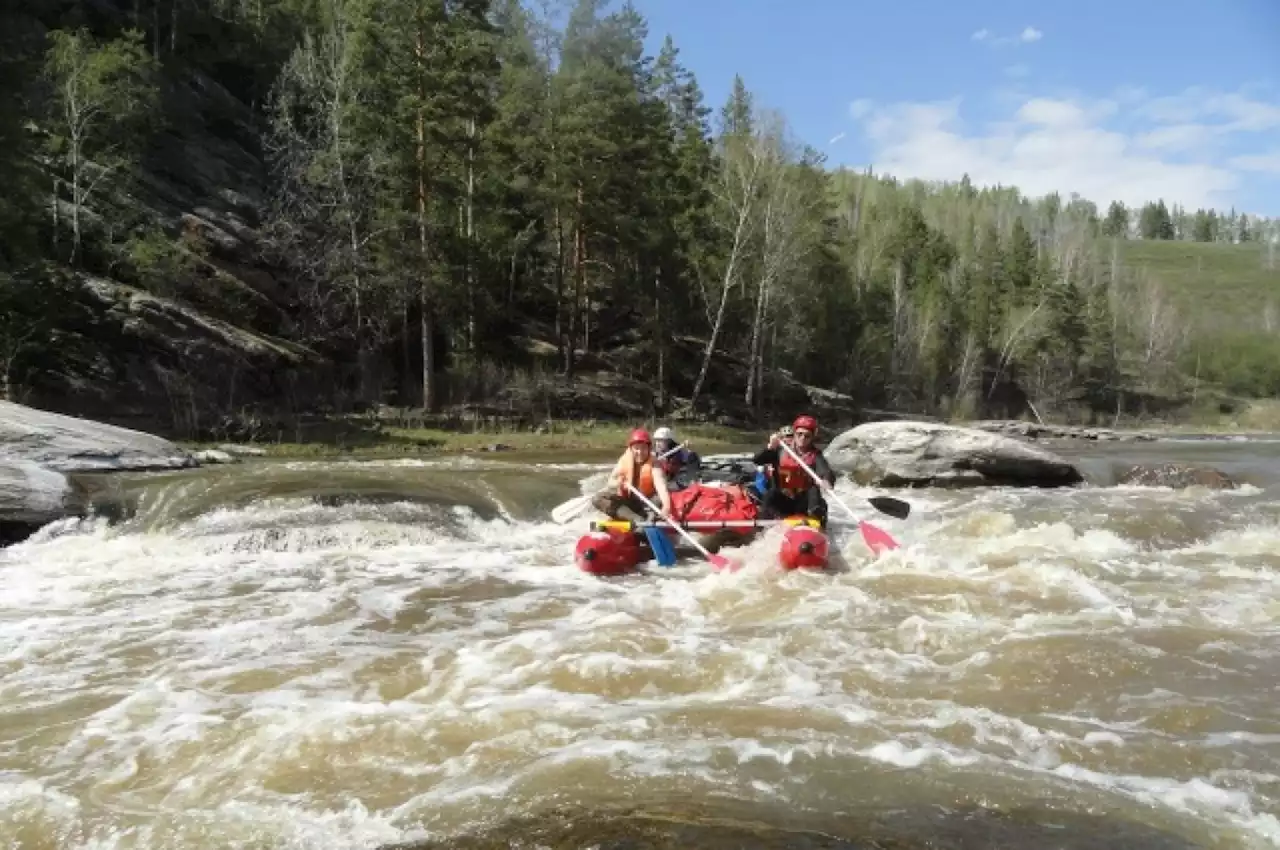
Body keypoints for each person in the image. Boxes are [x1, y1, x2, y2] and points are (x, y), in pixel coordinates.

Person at [751, 415, 836, 528]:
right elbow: (757, 460)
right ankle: (762, 528)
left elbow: (825, 470)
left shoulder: (816, 455)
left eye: (807, 436)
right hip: (783, 501)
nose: (802, 438)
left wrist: (826, 480)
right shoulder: (780, 450)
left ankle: (815, 527)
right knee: (770, 494)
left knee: (814, 491)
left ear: (812, 437)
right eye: (799, 434)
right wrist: (771, 447)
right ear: (795, 434)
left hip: (804, 504)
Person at [591, 428, 673, 521]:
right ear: (631, 448)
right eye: (636, 448)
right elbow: (610, 482)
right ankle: (636, 519)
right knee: (597, 498)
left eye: (643, 448)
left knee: (659, 500)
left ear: (649, 448)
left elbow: (662, 488)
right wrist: (619, 483)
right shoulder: (624, 460)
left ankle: (644, 518)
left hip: (648, 503)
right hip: (629, 501)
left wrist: (666, 507)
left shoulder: (655, 464)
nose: (640, 452)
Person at [653, 426, 701, 490]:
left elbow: (693, 457)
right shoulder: (655, 453)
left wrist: (692, 479)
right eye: (656, 441)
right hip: (664, 479)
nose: (657, 444)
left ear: (669, 441)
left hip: (677, 479)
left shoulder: (679, 452)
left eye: (660, 441)